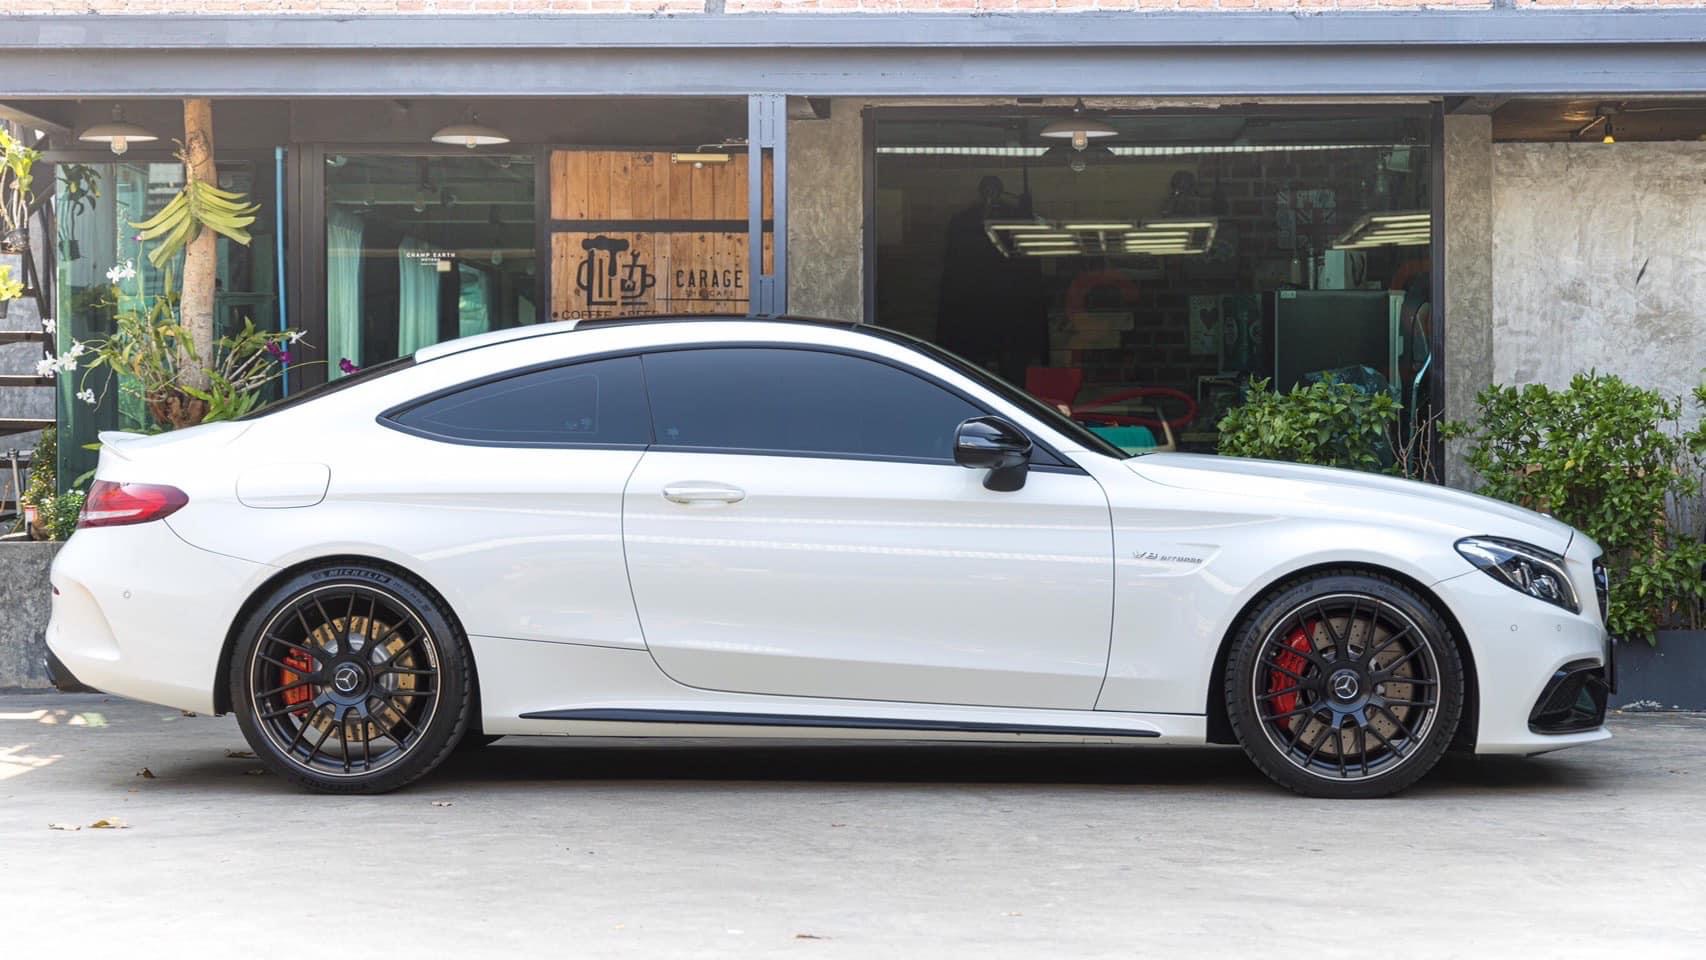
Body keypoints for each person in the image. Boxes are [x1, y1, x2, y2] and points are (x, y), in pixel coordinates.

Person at [935, 175, 1047, 385]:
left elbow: (1029, 268)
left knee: (1011, 370)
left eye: (994, 190)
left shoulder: (1015, 219)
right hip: (976, 307)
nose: (991, 196)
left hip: (1008, 308)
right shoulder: (964, 222)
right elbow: (954, 267)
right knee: (975, 369)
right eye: (987, 190)